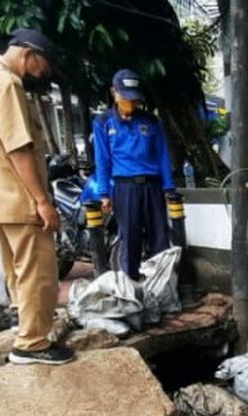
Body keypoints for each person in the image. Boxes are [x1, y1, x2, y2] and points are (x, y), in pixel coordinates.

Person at [0, 28, 73, 365]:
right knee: (39, 272)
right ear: (28, 54)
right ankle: (33, 344)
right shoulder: (6, 83)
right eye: (44, 65)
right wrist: (41, 200)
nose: (44, 73)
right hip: (20, 196)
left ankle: (23, 325)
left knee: (18, 272)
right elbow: (18, 147)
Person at [93, 68, 176, 277]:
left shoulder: (151, 121)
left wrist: (168, 187)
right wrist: (104, 194)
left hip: (153, 186)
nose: (130, 103)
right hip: (125, 188)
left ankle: (161, 289)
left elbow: (162, 155)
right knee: (130, 240)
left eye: (134, 100)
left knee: (160, 239)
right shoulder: (103, 122)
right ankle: (131, 290)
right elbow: (102, 160)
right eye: (125, 98)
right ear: (114, 93)